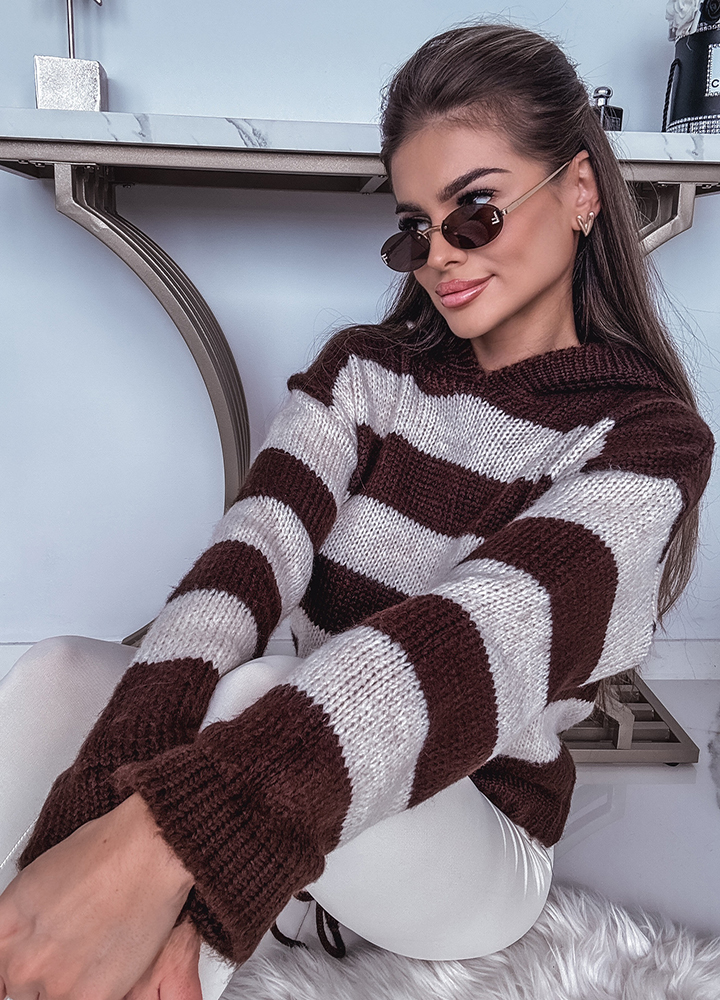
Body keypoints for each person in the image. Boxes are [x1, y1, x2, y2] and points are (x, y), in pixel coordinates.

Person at [0, 20, 714, 1000]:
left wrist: (154, 839)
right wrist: (97, 802)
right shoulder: (364, 373)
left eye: (475, 212)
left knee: (263, 694)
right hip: (282, 792)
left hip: (463, 833)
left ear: (580, 189)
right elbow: (248, 559)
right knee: (60, 674)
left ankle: (170, 955)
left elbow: (475, 637)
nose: (439, 257)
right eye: (415, 227)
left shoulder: (648, 439)